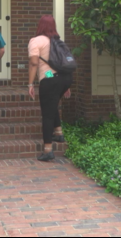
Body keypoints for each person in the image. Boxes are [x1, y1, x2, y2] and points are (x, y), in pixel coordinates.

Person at [27, 15, 72, 161]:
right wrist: (63, 85)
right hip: (65, 78)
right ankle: (58, 133)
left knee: (47, 113)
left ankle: (48, 150)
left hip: (51, 79)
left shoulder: (36, 41)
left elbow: (34, 64)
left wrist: (30, 83)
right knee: (52, 104)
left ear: (40, 25)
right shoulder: (58, 41)